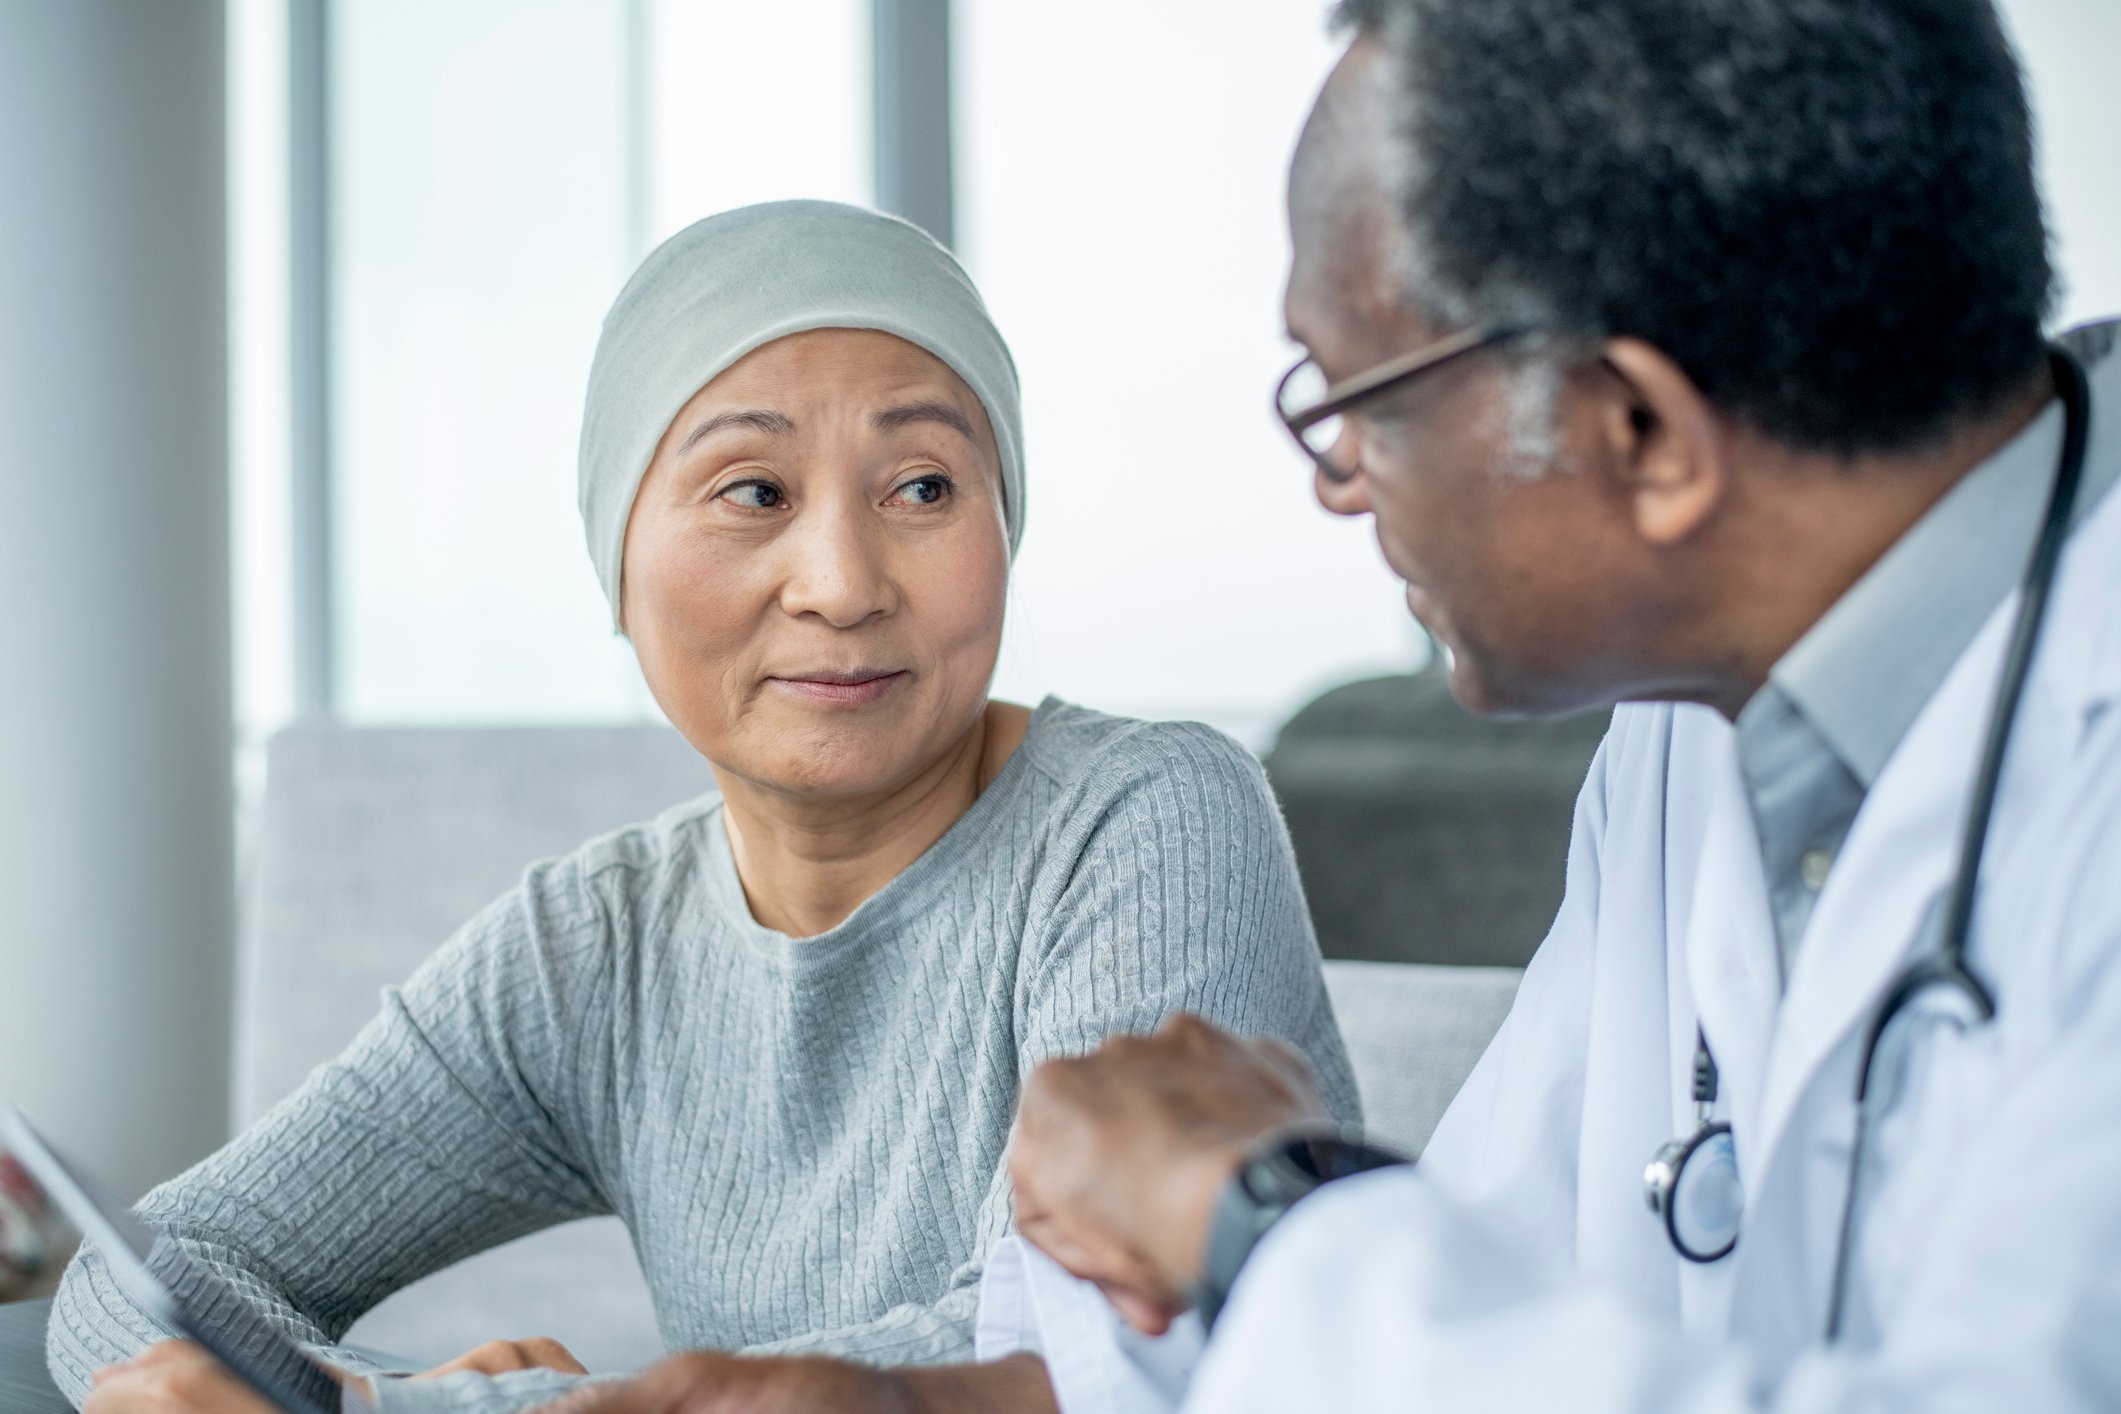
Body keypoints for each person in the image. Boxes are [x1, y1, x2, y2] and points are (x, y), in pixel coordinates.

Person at [553, 0, 2121, 1408]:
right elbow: (1477, 1296)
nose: (1331, 483)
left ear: (1639, 427)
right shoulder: (1688, 726)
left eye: (1353, 401)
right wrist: (915, 1408)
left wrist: (1256, 1202)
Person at [51, 200, 1358, 1414]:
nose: (841, 583)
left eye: (923, 488)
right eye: (754, 492)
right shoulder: (594, 951)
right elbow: (149, 1271)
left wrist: (449, 1409)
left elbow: (1069, 1351)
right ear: (617, 564)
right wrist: (333, 1392)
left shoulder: (1149, 817)